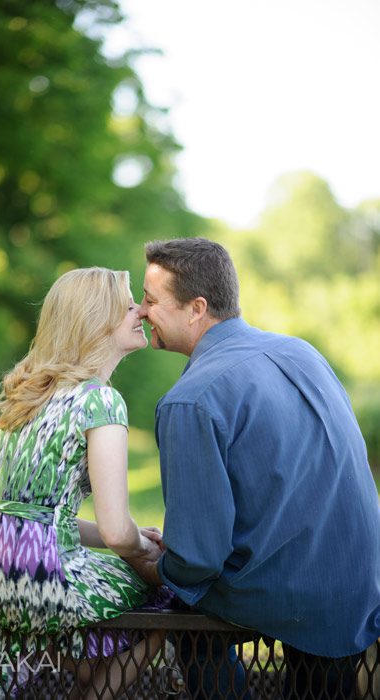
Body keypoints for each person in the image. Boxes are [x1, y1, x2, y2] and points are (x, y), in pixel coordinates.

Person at [125, 236, 380, 699]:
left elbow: (198, 560)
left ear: (196, 308)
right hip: (359, 583)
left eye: (150, 299)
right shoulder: (302, 352)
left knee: (183, 604)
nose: (141, 311)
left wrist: (158, 566)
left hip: (295, 593)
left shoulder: (189, 400)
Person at [0, 267, 170, 698]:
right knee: (168, 600)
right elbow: (115, 529)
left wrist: (121, 540)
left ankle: (78, 667)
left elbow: (39, 514)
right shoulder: (100, 401)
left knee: (100, 595)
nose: (140, 311)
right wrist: (145, 548)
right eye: (127, 304)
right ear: (95, 319)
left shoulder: (32, 392)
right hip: (38, 577)